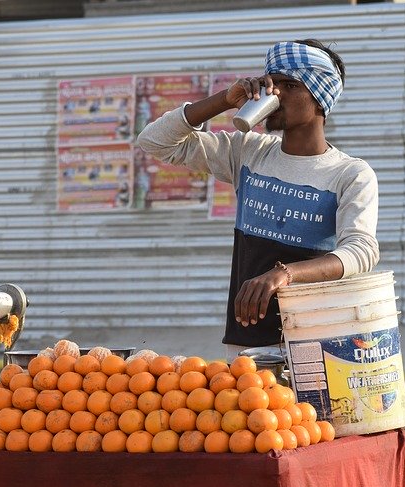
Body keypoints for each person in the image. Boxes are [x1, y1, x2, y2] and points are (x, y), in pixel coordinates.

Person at [137, 39, 379, 361]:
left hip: (315, 341)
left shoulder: (350, 174)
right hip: (246, 342)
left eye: (290, 85)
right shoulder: (249, 152)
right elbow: (154, 141)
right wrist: (225, 99)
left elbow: (360, 251)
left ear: (320, 98)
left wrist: (284, 274)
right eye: (271, 82)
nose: (274, 94)